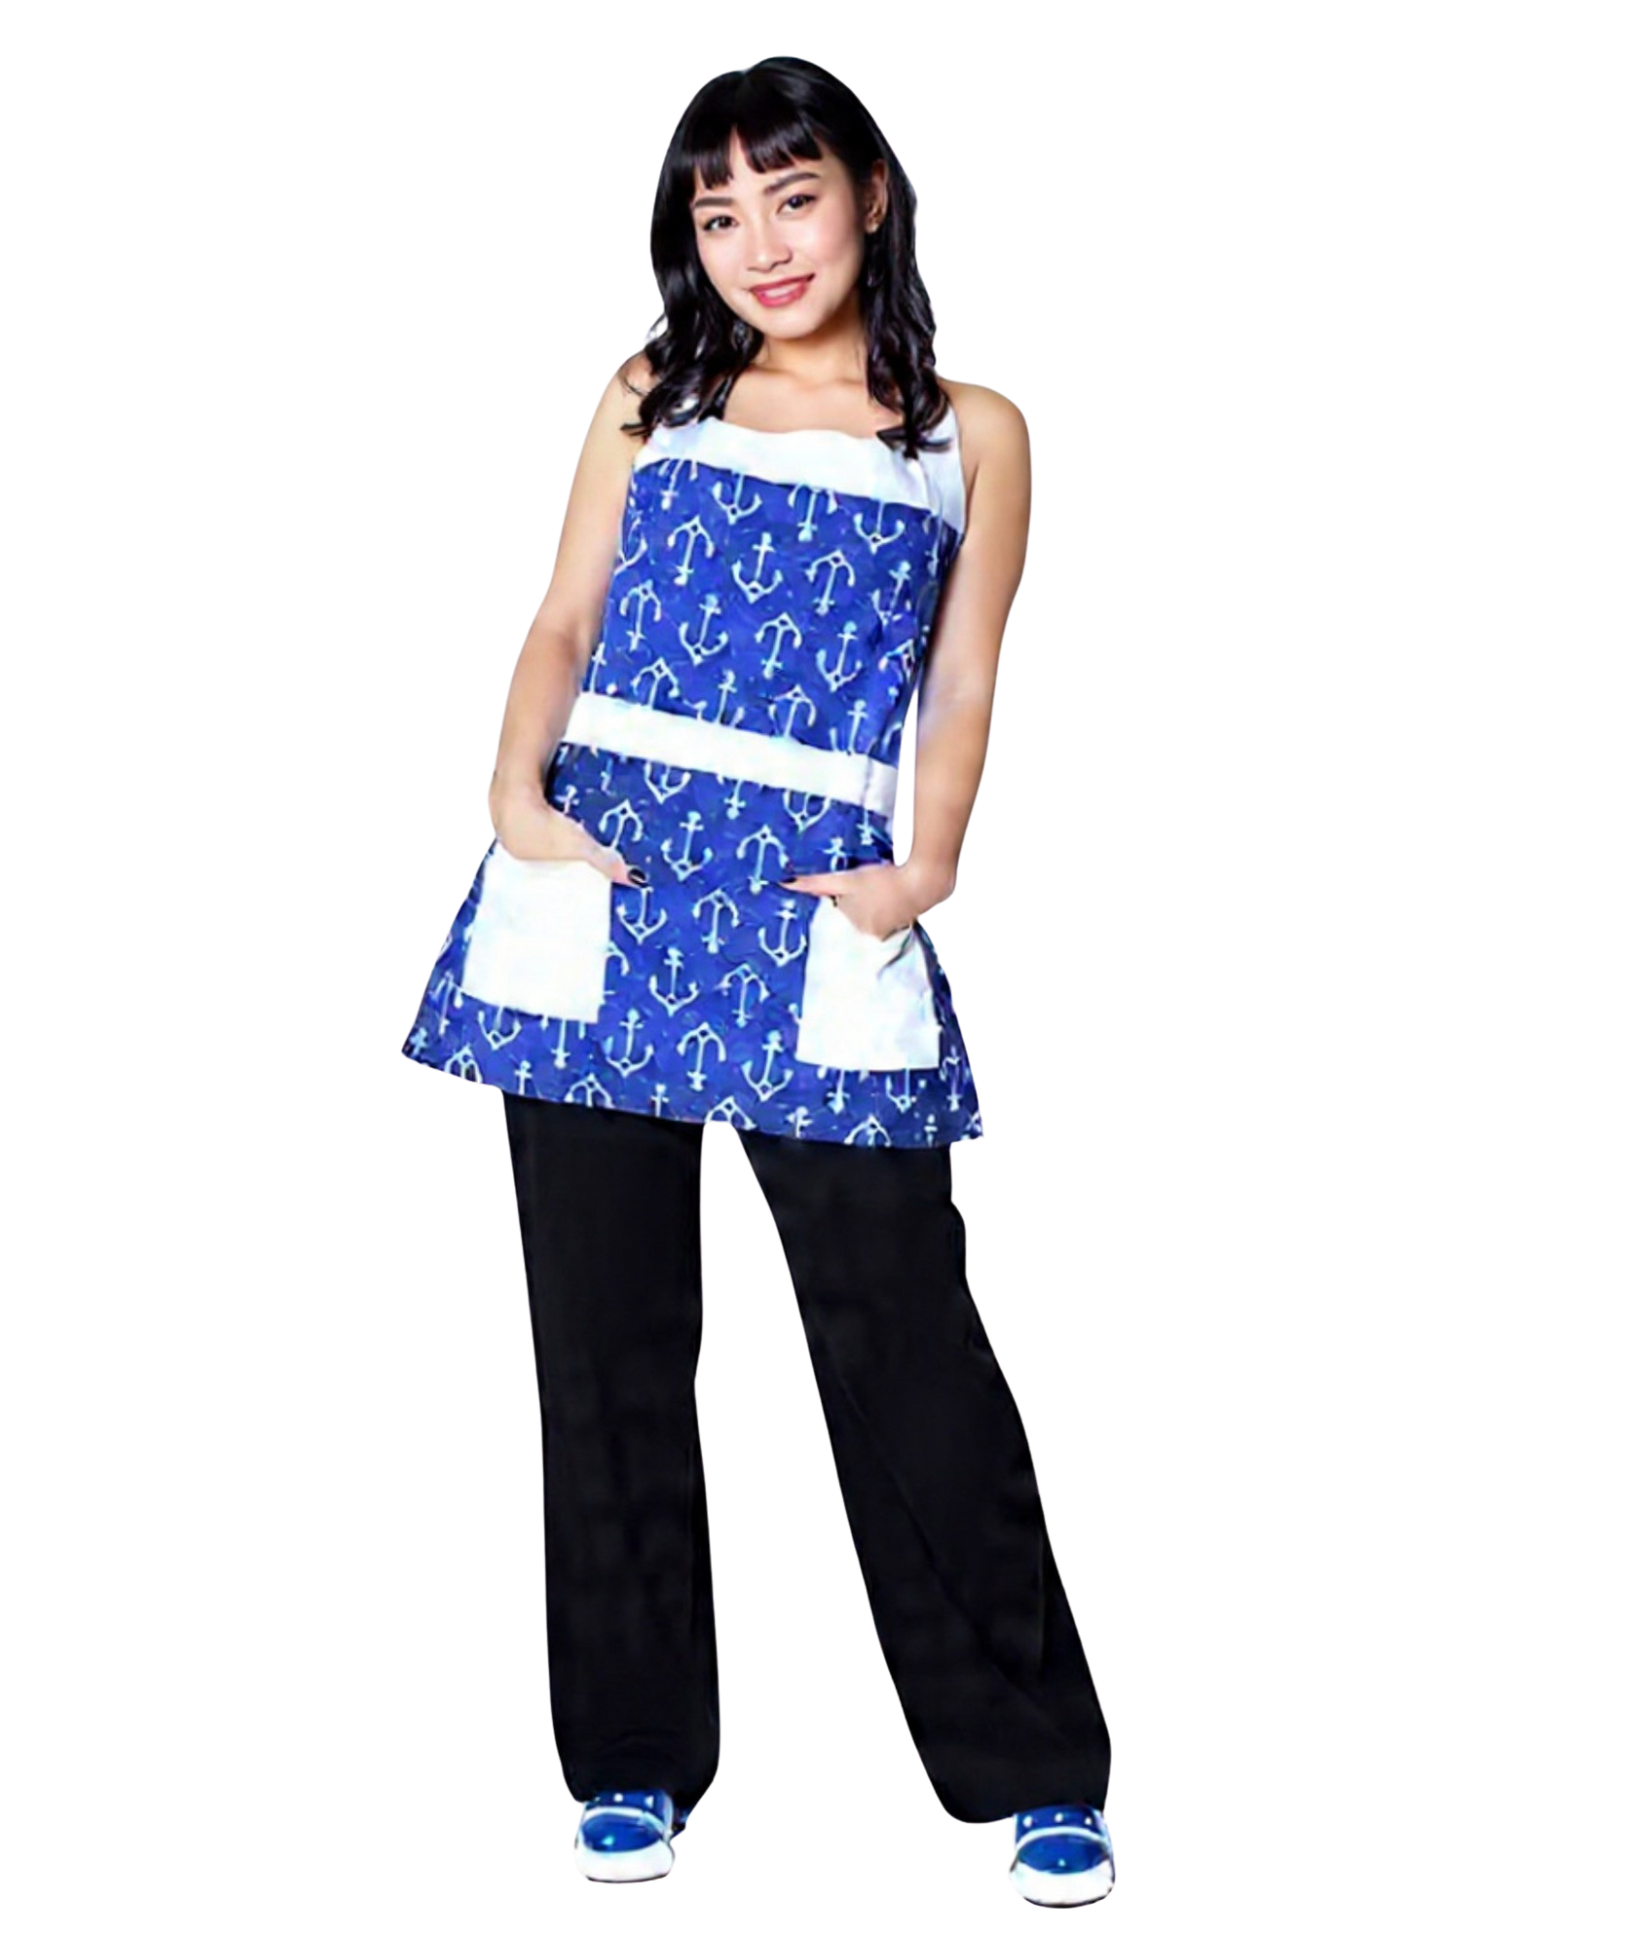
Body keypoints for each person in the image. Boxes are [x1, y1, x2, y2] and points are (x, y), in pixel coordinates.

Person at [395, 54, 1117, 1910]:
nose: (758, 245)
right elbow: (565, 613)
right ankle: (631, 1759)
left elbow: (963, 676)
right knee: (604, 1355)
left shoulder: (972, 427)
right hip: (603, 885)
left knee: (909, 1350)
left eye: (790, 197)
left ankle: (1034, 1764)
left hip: (819, 913)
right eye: (717, 213)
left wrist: (927, 867)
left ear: (870, 193)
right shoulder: (651, 387)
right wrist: (512, 800)